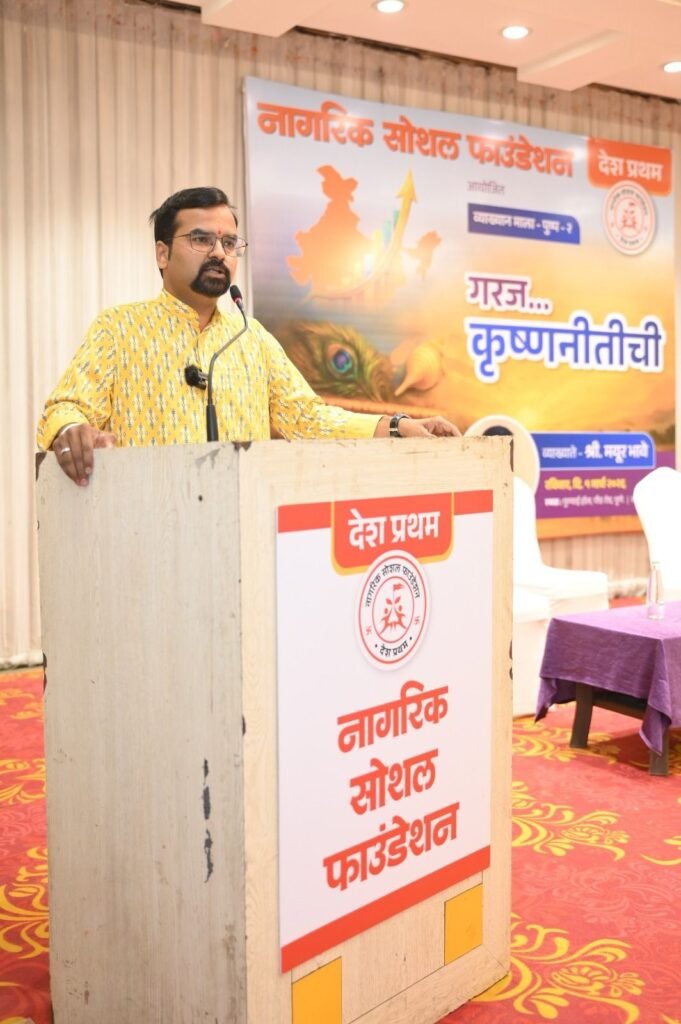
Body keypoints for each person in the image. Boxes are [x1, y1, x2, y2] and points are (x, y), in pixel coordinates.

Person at [37, 187, 460, 485]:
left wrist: (397, 425)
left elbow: (307, 418)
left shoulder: (250, 337)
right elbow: (67, 407)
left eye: (229, 242)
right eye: (200, 239)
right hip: (148, 532)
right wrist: (71, 429)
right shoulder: (119, 328)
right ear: (162, 253)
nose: (218, 252)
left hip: (240, 537)